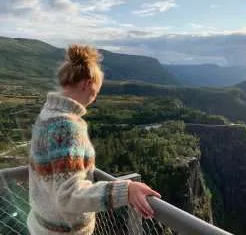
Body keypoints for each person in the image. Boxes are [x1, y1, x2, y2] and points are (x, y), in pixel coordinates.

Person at [27, 44, 161, 234]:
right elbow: (69, 196)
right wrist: (127, 190)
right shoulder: (66, 126)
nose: (95, 97)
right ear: (87, 84)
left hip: (43, 223)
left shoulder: (47, 114)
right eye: (97, 91)